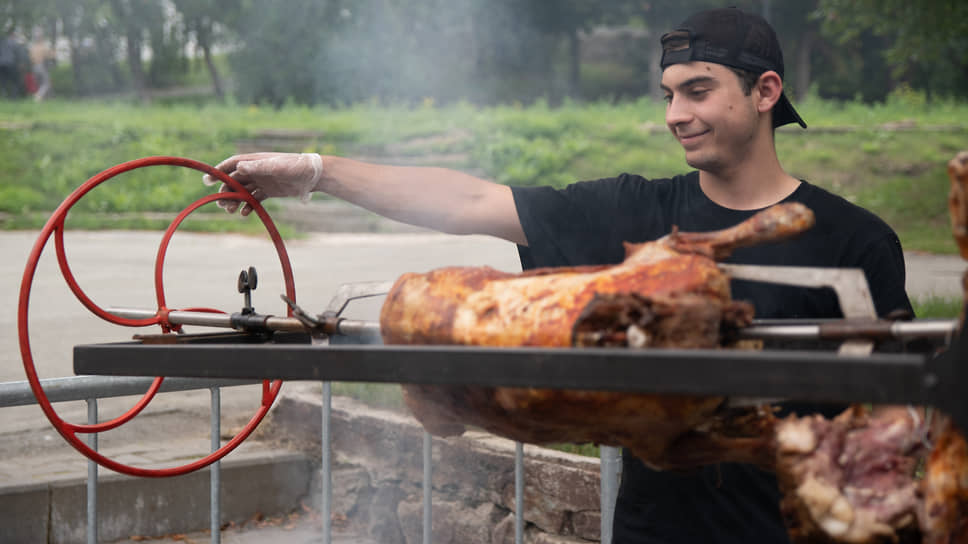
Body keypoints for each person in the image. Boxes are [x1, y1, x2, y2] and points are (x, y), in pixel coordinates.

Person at [205, 7, 912, 543]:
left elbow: (905, 413)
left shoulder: (856, 240)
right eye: (667, 94)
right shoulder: (635, 211)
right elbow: (469, 200)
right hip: (654, 532)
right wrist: (314, 172)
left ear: (765, 92)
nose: (675, 115)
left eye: (697, 91)